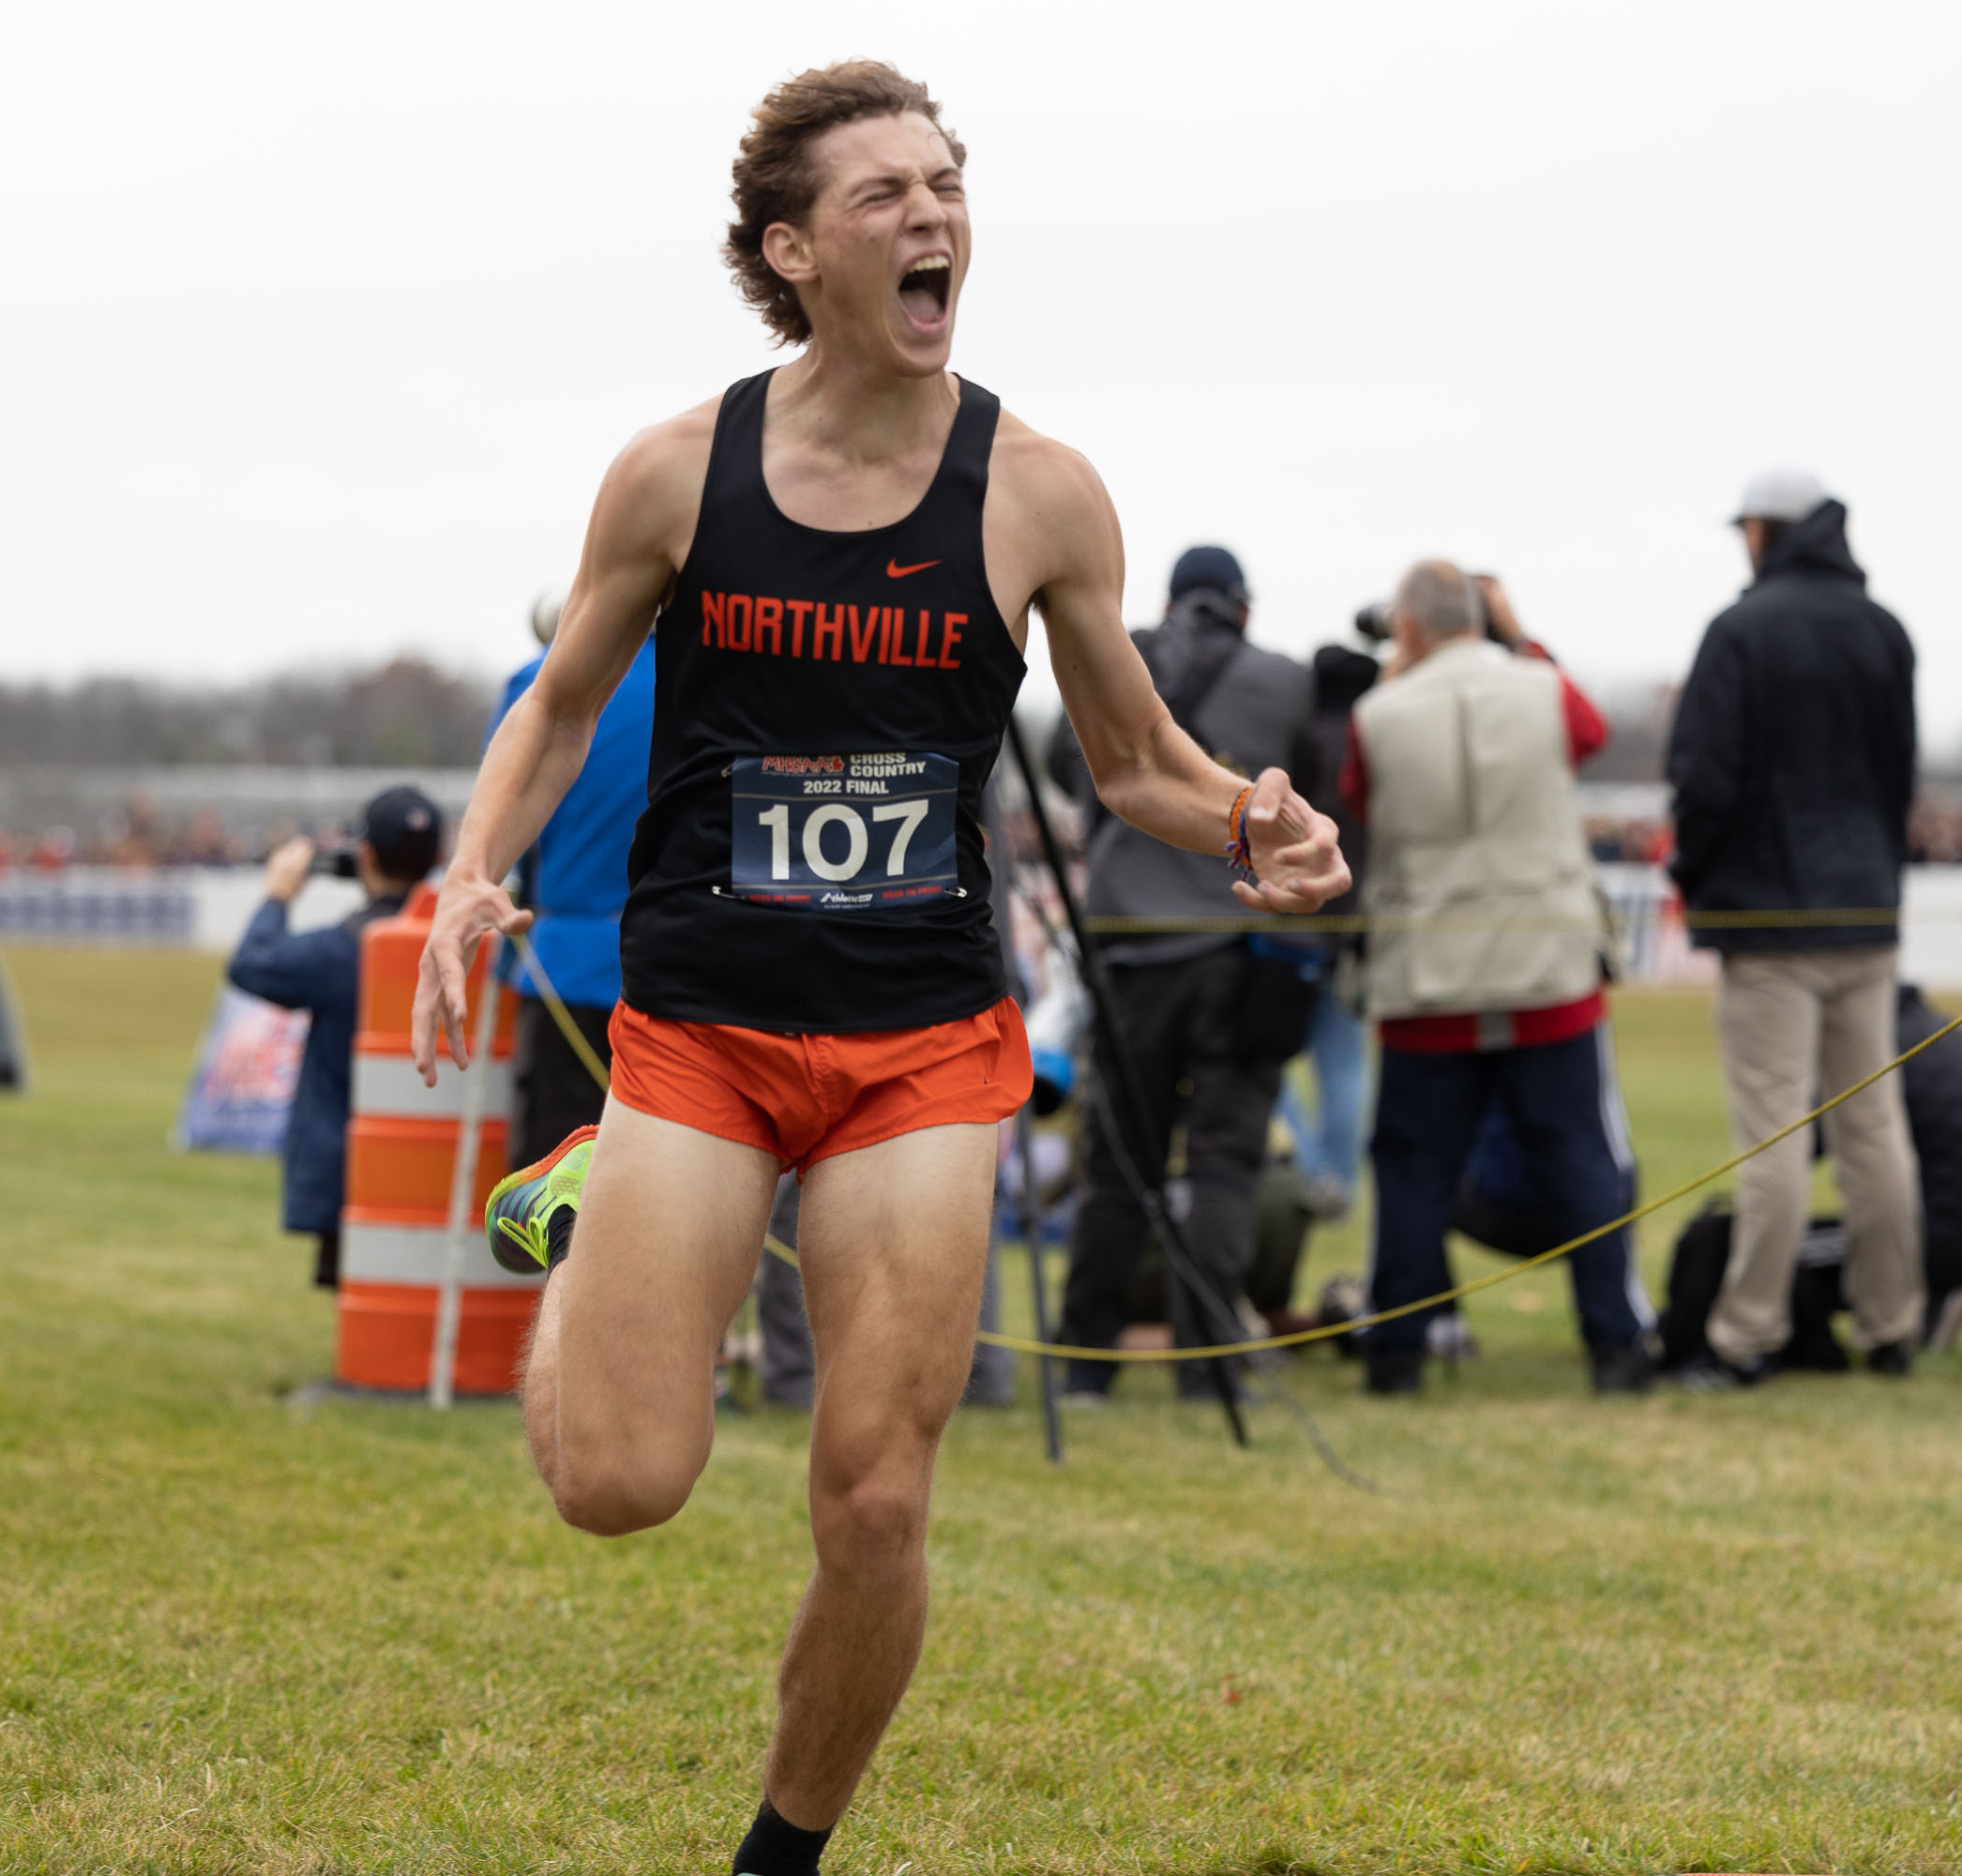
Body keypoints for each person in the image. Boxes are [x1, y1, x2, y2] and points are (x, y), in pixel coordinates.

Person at [408, 63, 1347, 1876]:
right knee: (620, 1486)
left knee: (880, 1495)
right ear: (792, 251)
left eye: (949, 188)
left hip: (921, 1042)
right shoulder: (679, 470)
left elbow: (1137, 761)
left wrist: (1254, 826)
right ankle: (598, 1202)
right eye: (885, 198)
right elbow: (565, 704)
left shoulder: (1043, 494)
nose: (934, 220)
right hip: (703, 1031)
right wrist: (468, 877)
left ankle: (783, 1854)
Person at [1347, 562, 1655, 1397]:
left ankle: (1398, 1353)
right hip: (1546, 969)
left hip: (1426, 974)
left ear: (1405, 629)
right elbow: (1587, 734)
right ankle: (1616, 1345)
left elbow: (1360, 798)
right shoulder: (1541, 685)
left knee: (1413, 1170)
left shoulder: (1375, 715)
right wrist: (1518, 636)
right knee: (1584, 1157)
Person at [1048, 545, 1324, 1404]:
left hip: (1134, 950)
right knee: (1226, 1164)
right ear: (1242, 606)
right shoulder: (1284, 679)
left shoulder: (1123, 660)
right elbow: (1313, 797)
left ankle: (1087, 1362)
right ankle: (1210, 1367)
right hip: (1245, 947)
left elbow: (1072, 765)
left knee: (1119, 1161)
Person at [1666, 468, 1922, 1389]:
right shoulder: (1884, 629)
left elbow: (1704, 778)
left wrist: (1698, 878)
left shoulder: (1739, 632)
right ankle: (1894, 1323)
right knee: (1874, 1128)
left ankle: (1746, 1334)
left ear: (1766, 534)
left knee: (1773, 1136)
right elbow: (1900, 775)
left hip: (1770, 917)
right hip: (1866, 911)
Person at [223, 786, 441, 1289]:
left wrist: (279, 894)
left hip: (349, 1169)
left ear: (363, 855)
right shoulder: (461, 948)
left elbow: (252, 963)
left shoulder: (340, 949)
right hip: (434, 1164)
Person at [490, 596, 657, 1165]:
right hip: (684, 966)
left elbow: (513, 822)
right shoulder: (709, 680)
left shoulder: (536, 682)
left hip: (566, 960)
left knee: (556, 1174)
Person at [1279, 641, 1383, 1220]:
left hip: (1290, 924)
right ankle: (1336, 1186)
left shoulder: (1294, 743)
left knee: (1267, 1062)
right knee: (1345, 1066)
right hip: (1353, 927)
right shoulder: (1373, 745)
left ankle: (1307, 1166)